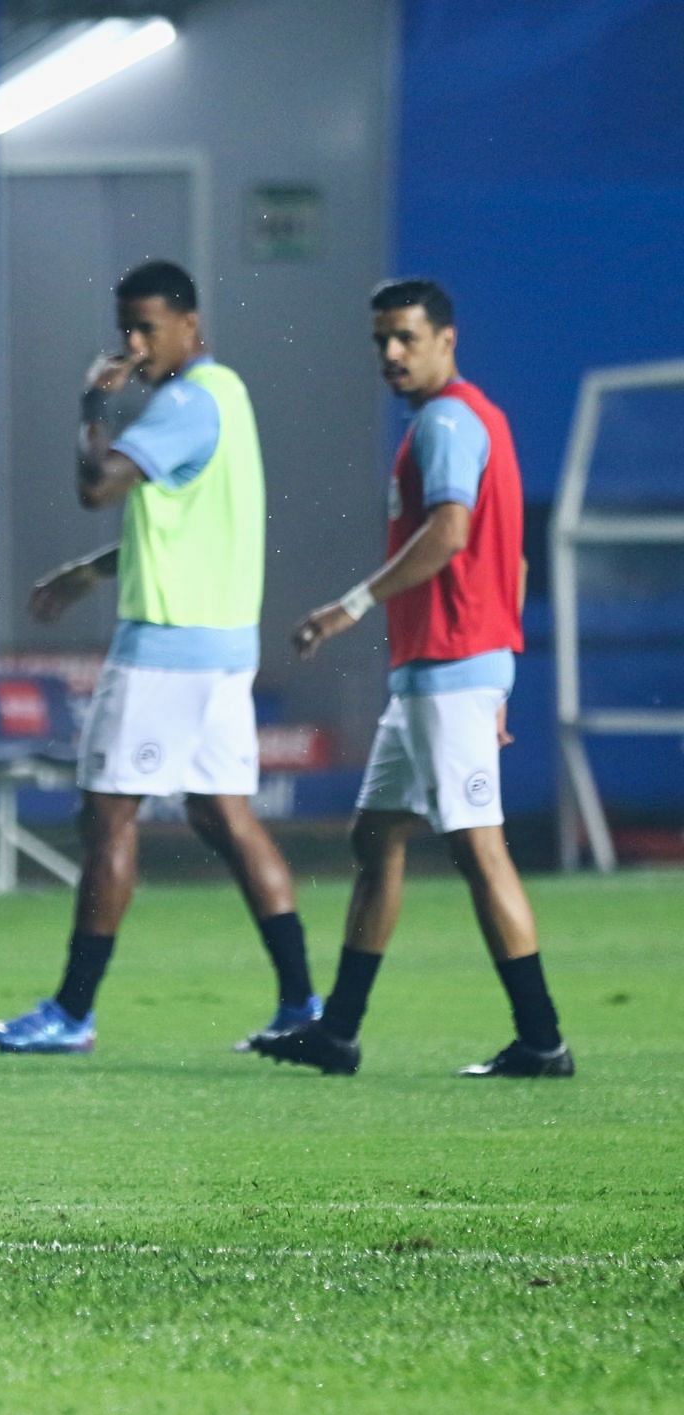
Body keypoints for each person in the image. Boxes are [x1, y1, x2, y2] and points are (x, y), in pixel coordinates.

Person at [0, 260, 317, 1056]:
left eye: (148, 327)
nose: (134, 342)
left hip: (166, 650)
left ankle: (72, 1011)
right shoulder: (227, 397)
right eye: (124, 327)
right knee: (224, 814)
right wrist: (90, 571)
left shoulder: (186, 405)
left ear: (192, 325)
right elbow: (188, 532)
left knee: (107, 814)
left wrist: (94, 402)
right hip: (225, 646)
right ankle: (302, 1002)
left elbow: (98, 487)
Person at [251, 278, 570, 1079]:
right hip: (450, 671)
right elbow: (515, 560)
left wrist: (349, 606)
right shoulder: (478, 418)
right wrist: (500, 672)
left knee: (478, 850)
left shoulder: (446, 423)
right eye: (381, 340)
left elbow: (452, 531)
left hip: (449, 671)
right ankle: (340, 1030)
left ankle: (542, 1040)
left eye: (405, 338)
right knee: (377, 837)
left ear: (445, 340)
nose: (391, 354)